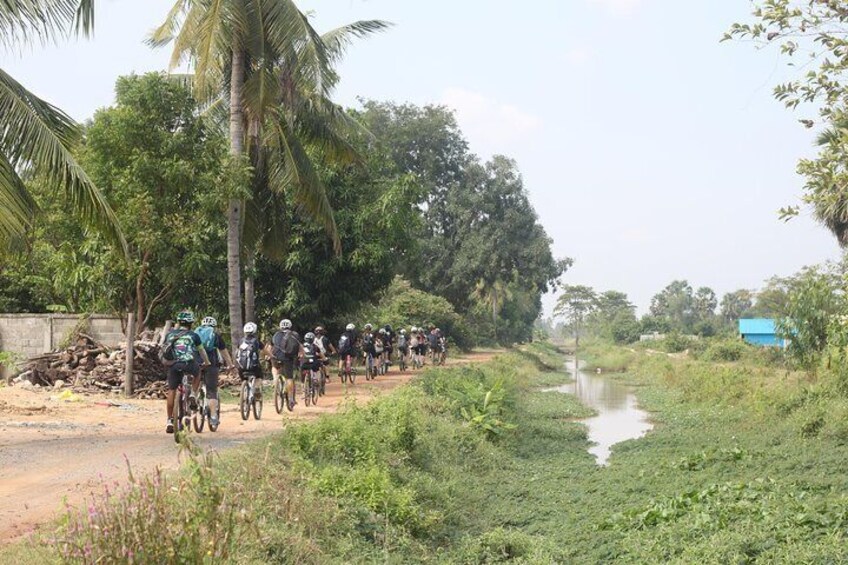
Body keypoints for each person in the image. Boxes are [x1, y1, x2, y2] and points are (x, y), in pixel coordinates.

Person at [162, 310, 210, 434]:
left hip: (173, 364)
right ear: (191, 323)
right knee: (198, 372)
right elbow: (202, 351)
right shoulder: (194, 335)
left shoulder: (170, 334)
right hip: (188, 364)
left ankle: (169, 420)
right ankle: (193, 393)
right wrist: (207, 362)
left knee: (171, 390)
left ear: (179, 322)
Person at [194, 316, 233, 428]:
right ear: (214, 326)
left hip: (196, 364)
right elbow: (224, 352)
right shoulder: (215, 336)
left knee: (195, 385)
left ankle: (193, 398)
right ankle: (214, 417)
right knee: (211, 391)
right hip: (211, 365)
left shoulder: (195, 335)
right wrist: (230, 365)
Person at [271, 319, 303, 406]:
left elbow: (271, 346)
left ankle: (275, 380)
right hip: (288, 358)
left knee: (274, 367)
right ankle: (291, 398)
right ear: (290, 326)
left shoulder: (276, 334)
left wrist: (269, 355)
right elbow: (300, 346)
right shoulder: (295, 335)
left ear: (280, 326)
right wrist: (301, 354)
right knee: (289, 378)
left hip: (276, 357)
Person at [236, 322, 265, 393]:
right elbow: (264, 350)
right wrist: (270, 356)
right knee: (259, 377)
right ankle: (257, 389)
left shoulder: (241, 341)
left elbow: (236, 353)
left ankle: (244, 389)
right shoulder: (256, 341)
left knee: (243, 378)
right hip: (254, 367)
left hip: (241, 367)